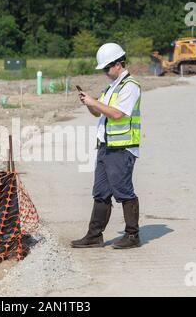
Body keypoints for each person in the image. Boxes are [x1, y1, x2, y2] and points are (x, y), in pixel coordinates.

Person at [71, 43, 142, 249]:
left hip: (122, 148)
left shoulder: (130, 86)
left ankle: (132, 235)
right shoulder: (111, 88)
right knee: (100, 191)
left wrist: (95, 102)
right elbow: (99, 112)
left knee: (123, 191)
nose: (105, 72)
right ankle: (94, 235)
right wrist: (89, 103)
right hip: (105, 147)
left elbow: (118, 114)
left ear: (119, 64)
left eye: (107, 68)